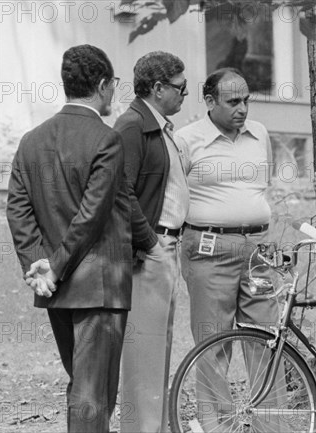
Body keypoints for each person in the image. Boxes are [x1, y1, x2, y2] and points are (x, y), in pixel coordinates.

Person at [7, 44, 132, 432]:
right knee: (94, 396)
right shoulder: (106, 139)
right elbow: (91, 217)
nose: (114, 93)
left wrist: (38, 267)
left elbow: (18, 209)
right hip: (97, 287)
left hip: (56, 289)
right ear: (101, 85)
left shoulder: (30, 140)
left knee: (84, 390)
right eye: (113, 85)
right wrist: (54, 267)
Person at [175, 67, 282, 430]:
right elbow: (173, 196)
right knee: (213, 341)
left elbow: (261, 185)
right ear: (209, 101)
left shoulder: (259, 134)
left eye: (246, 100)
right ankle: (217, 426)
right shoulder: (186, 139)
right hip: (208, 249)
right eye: (233, 101)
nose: (242, 108)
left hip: (258, 251)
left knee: (267, 339)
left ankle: (272, 426)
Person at [113, 51, 189, 433]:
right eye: (180, 88)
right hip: (148, 253)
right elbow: (120, 192)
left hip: (165, 249)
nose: (185, 95)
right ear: (157, 88)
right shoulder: (132, 126)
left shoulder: (160, 127)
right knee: (143, 355)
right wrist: (151, 242)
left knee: (158, 351)